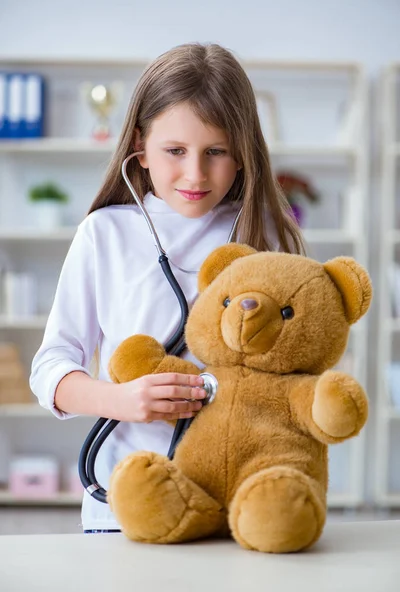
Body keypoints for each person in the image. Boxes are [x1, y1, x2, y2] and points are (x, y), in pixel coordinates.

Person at [29, 42, 305, 534]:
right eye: (174, 151)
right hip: (126, 506)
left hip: (233, 504)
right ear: (140, 145)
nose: (195, 174)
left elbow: (298, 365)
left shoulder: (264, 234)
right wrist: (123, 400)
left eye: (216, 152)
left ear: (243, 152)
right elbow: (50, 367)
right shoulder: (105, 234)